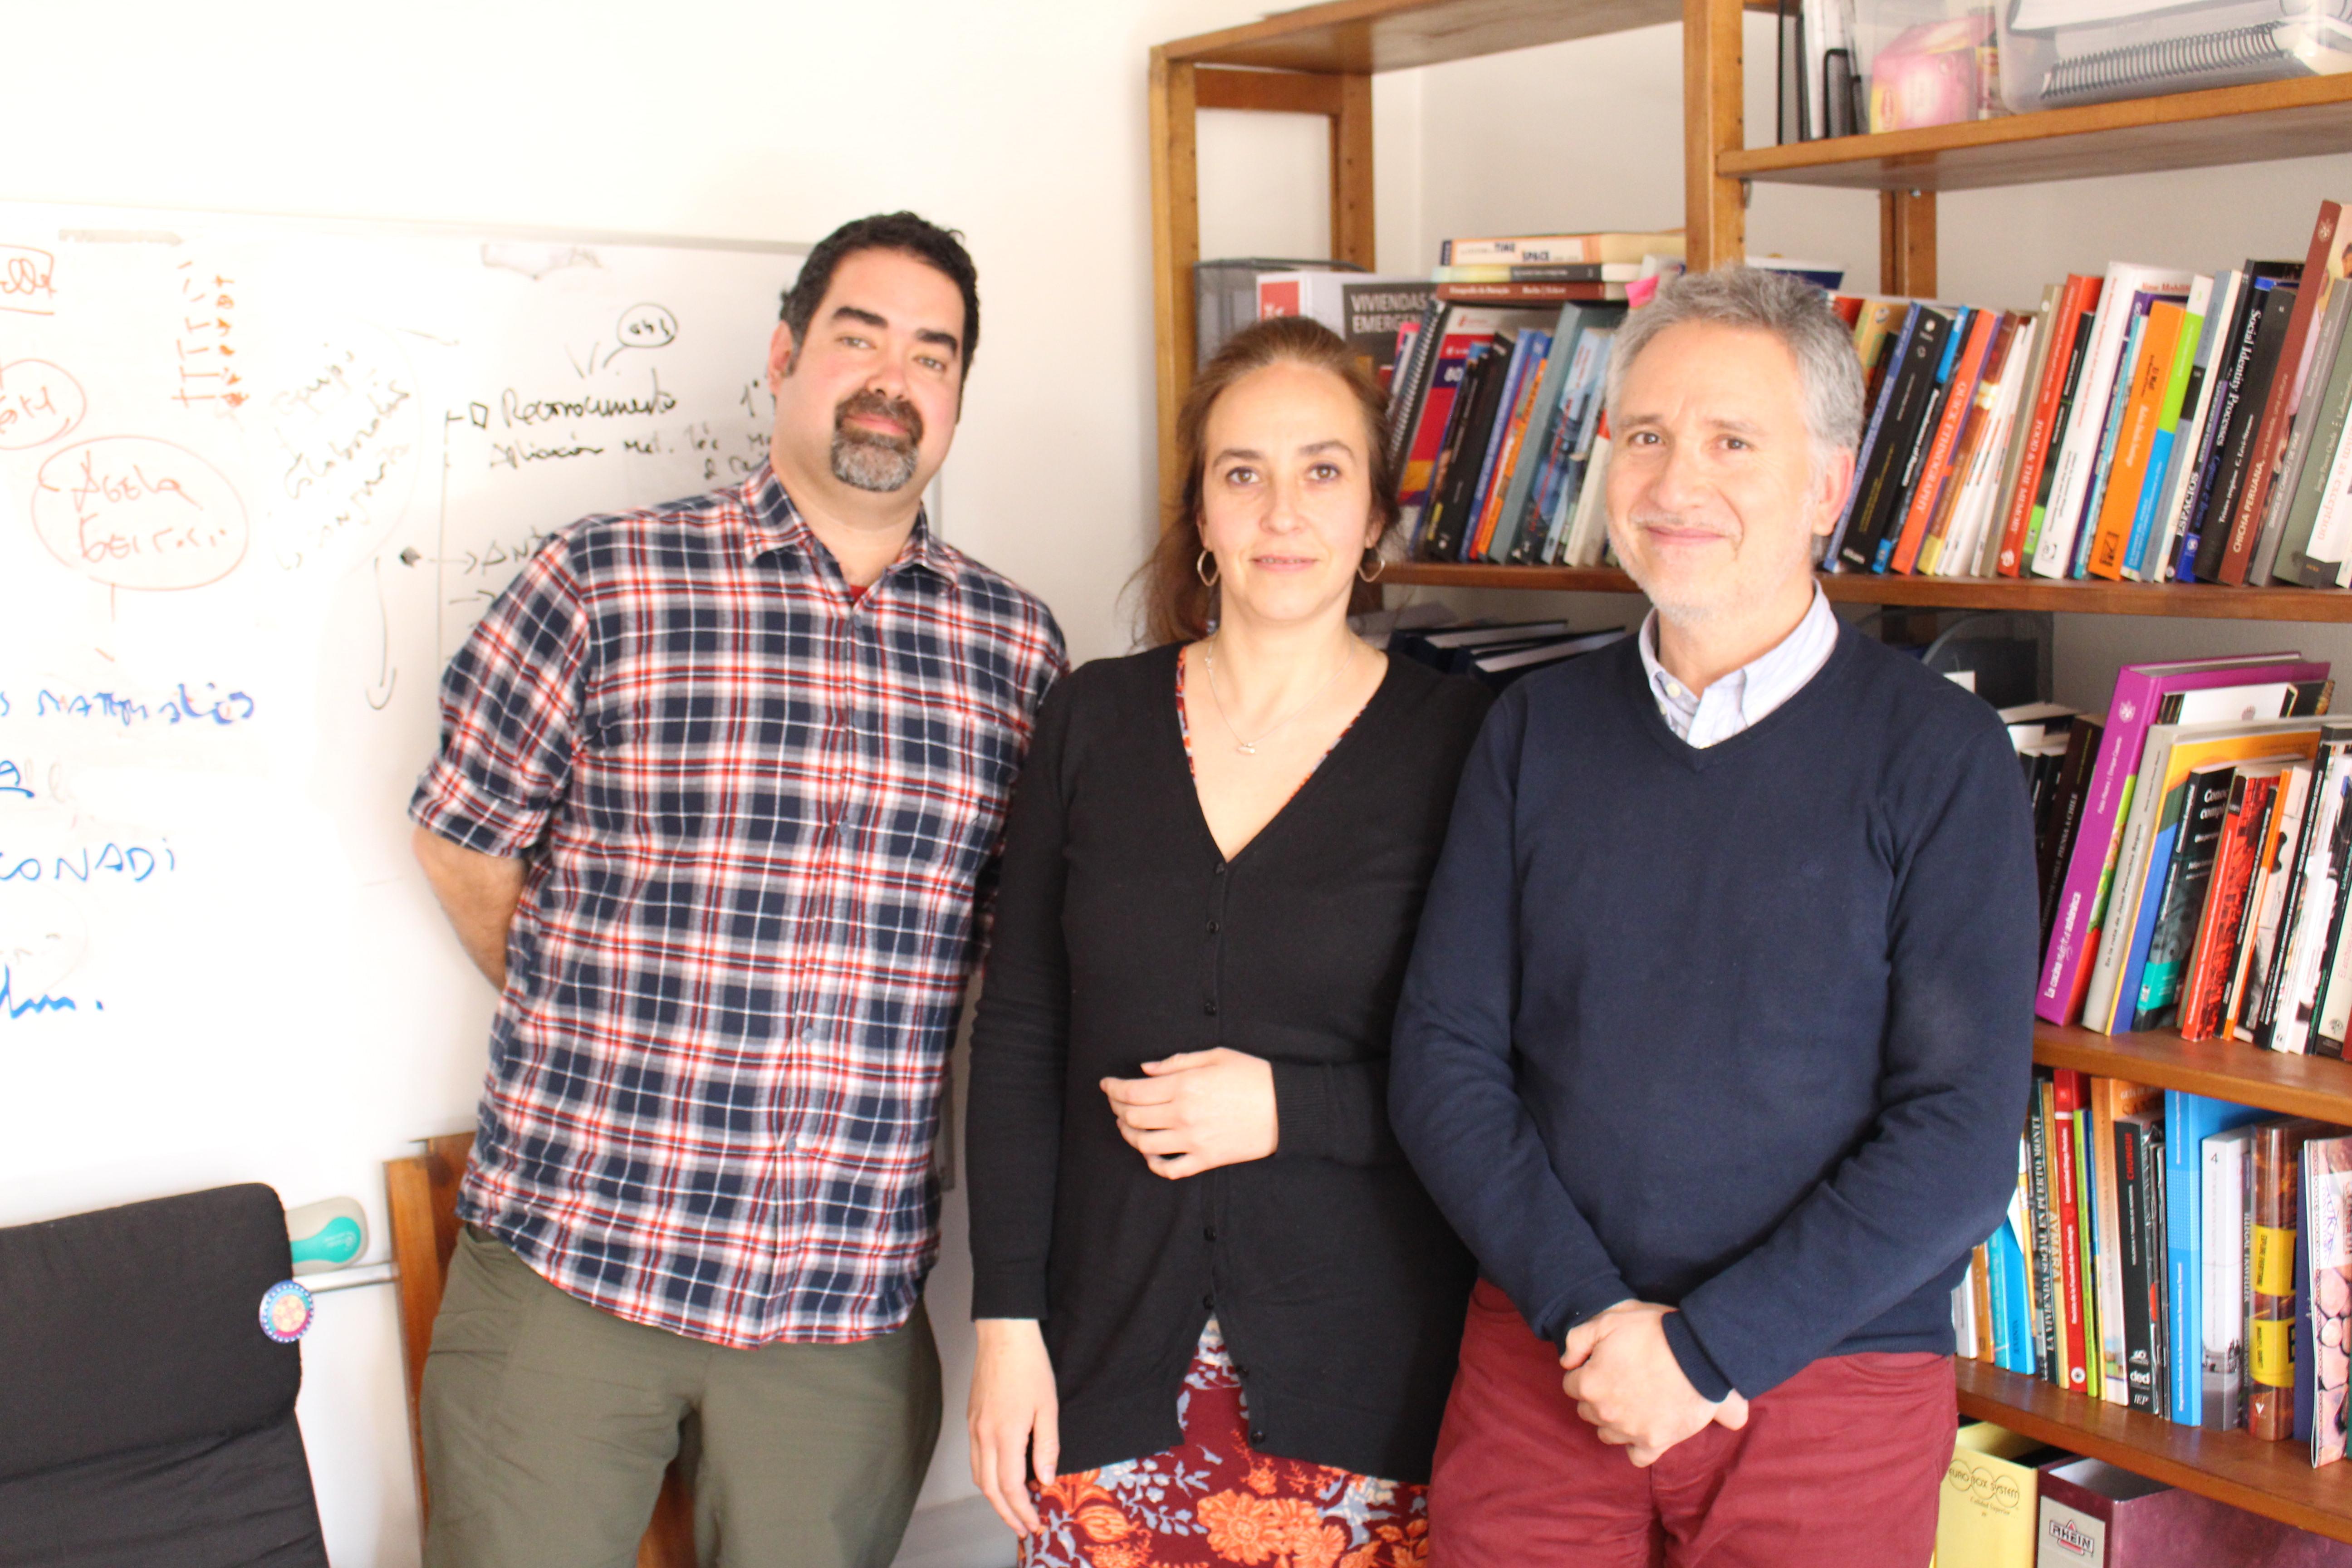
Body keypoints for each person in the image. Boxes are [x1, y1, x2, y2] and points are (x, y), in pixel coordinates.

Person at [406, 211, 1066, 1568]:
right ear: (784, 355)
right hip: (573, 1270)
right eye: (858, 337)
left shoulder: (1017, 648)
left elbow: (1017, 962)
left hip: (842, 1316)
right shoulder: (602, 581)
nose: (893, 378)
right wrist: (586, 1001)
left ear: (956, 398)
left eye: (932, 356)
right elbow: (464, 843)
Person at [1390, 266, 2037, 1567]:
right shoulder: (1533, 730)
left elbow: (1960, 1137)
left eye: (1733, 442)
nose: (1675, 485)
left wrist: (1706, 1351)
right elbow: (1444, 1063)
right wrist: (1599, 1328)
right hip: (1552, 1357)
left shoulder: (1944, 754)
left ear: (1827, 486)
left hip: (1826, 1370)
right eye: (1645, 436)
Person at [964, 315, 1490, 1568]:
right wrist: (1004, 1326)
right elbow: (1022, 1036)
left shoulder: (1465, 746)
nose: (1281, 513)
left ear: (1373, 519)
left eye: (1323, 472)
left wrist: (1292, 1112)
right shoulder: (1092, 719)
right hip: (1101, 1363)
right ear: (1199, 513)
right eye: (1241, 475)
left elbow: (1502, 1074)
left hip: (1366, 1373)